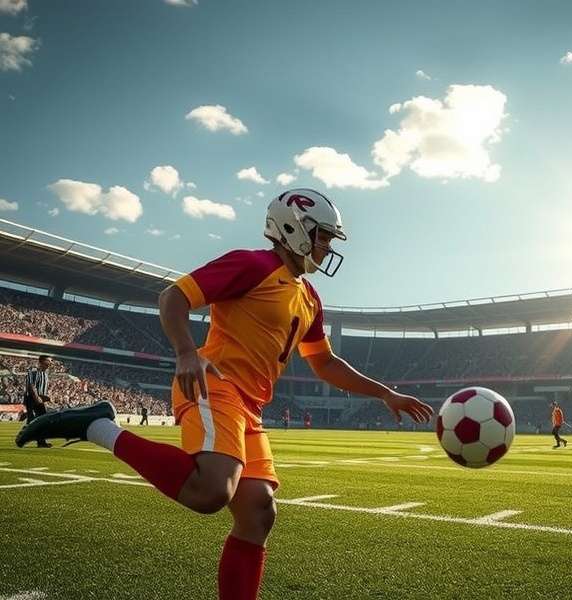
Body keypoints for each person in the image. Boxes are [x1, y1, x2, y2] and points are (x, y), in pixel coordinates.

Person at [16, 188, 434, 600]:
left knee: (258, 512)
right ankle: (97, 427)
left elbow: (324, 363)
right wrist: (185, 351)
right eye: (322, 235)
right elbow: (173, 297)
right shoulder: (252, 264)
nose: (326, 247)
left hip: (250, 408)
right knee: (212, 490)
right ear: (293, 227)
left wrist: (385, 394)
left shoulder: (309, 298)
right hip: (214, 385)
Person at [23, 355, 53, 448]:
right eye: (48, 362)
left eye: (50, 362)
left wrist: (46, 398)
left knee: (41, 420)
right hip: (32, 398)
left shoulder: (45, 374)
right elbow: (32, 386)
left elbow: (42, 388)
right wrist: (37, 398)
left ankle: (41, 442)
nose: (50, 364)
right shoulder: (34, 371)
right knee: (32, 419)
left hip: (40, 398)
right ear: (41, 362)